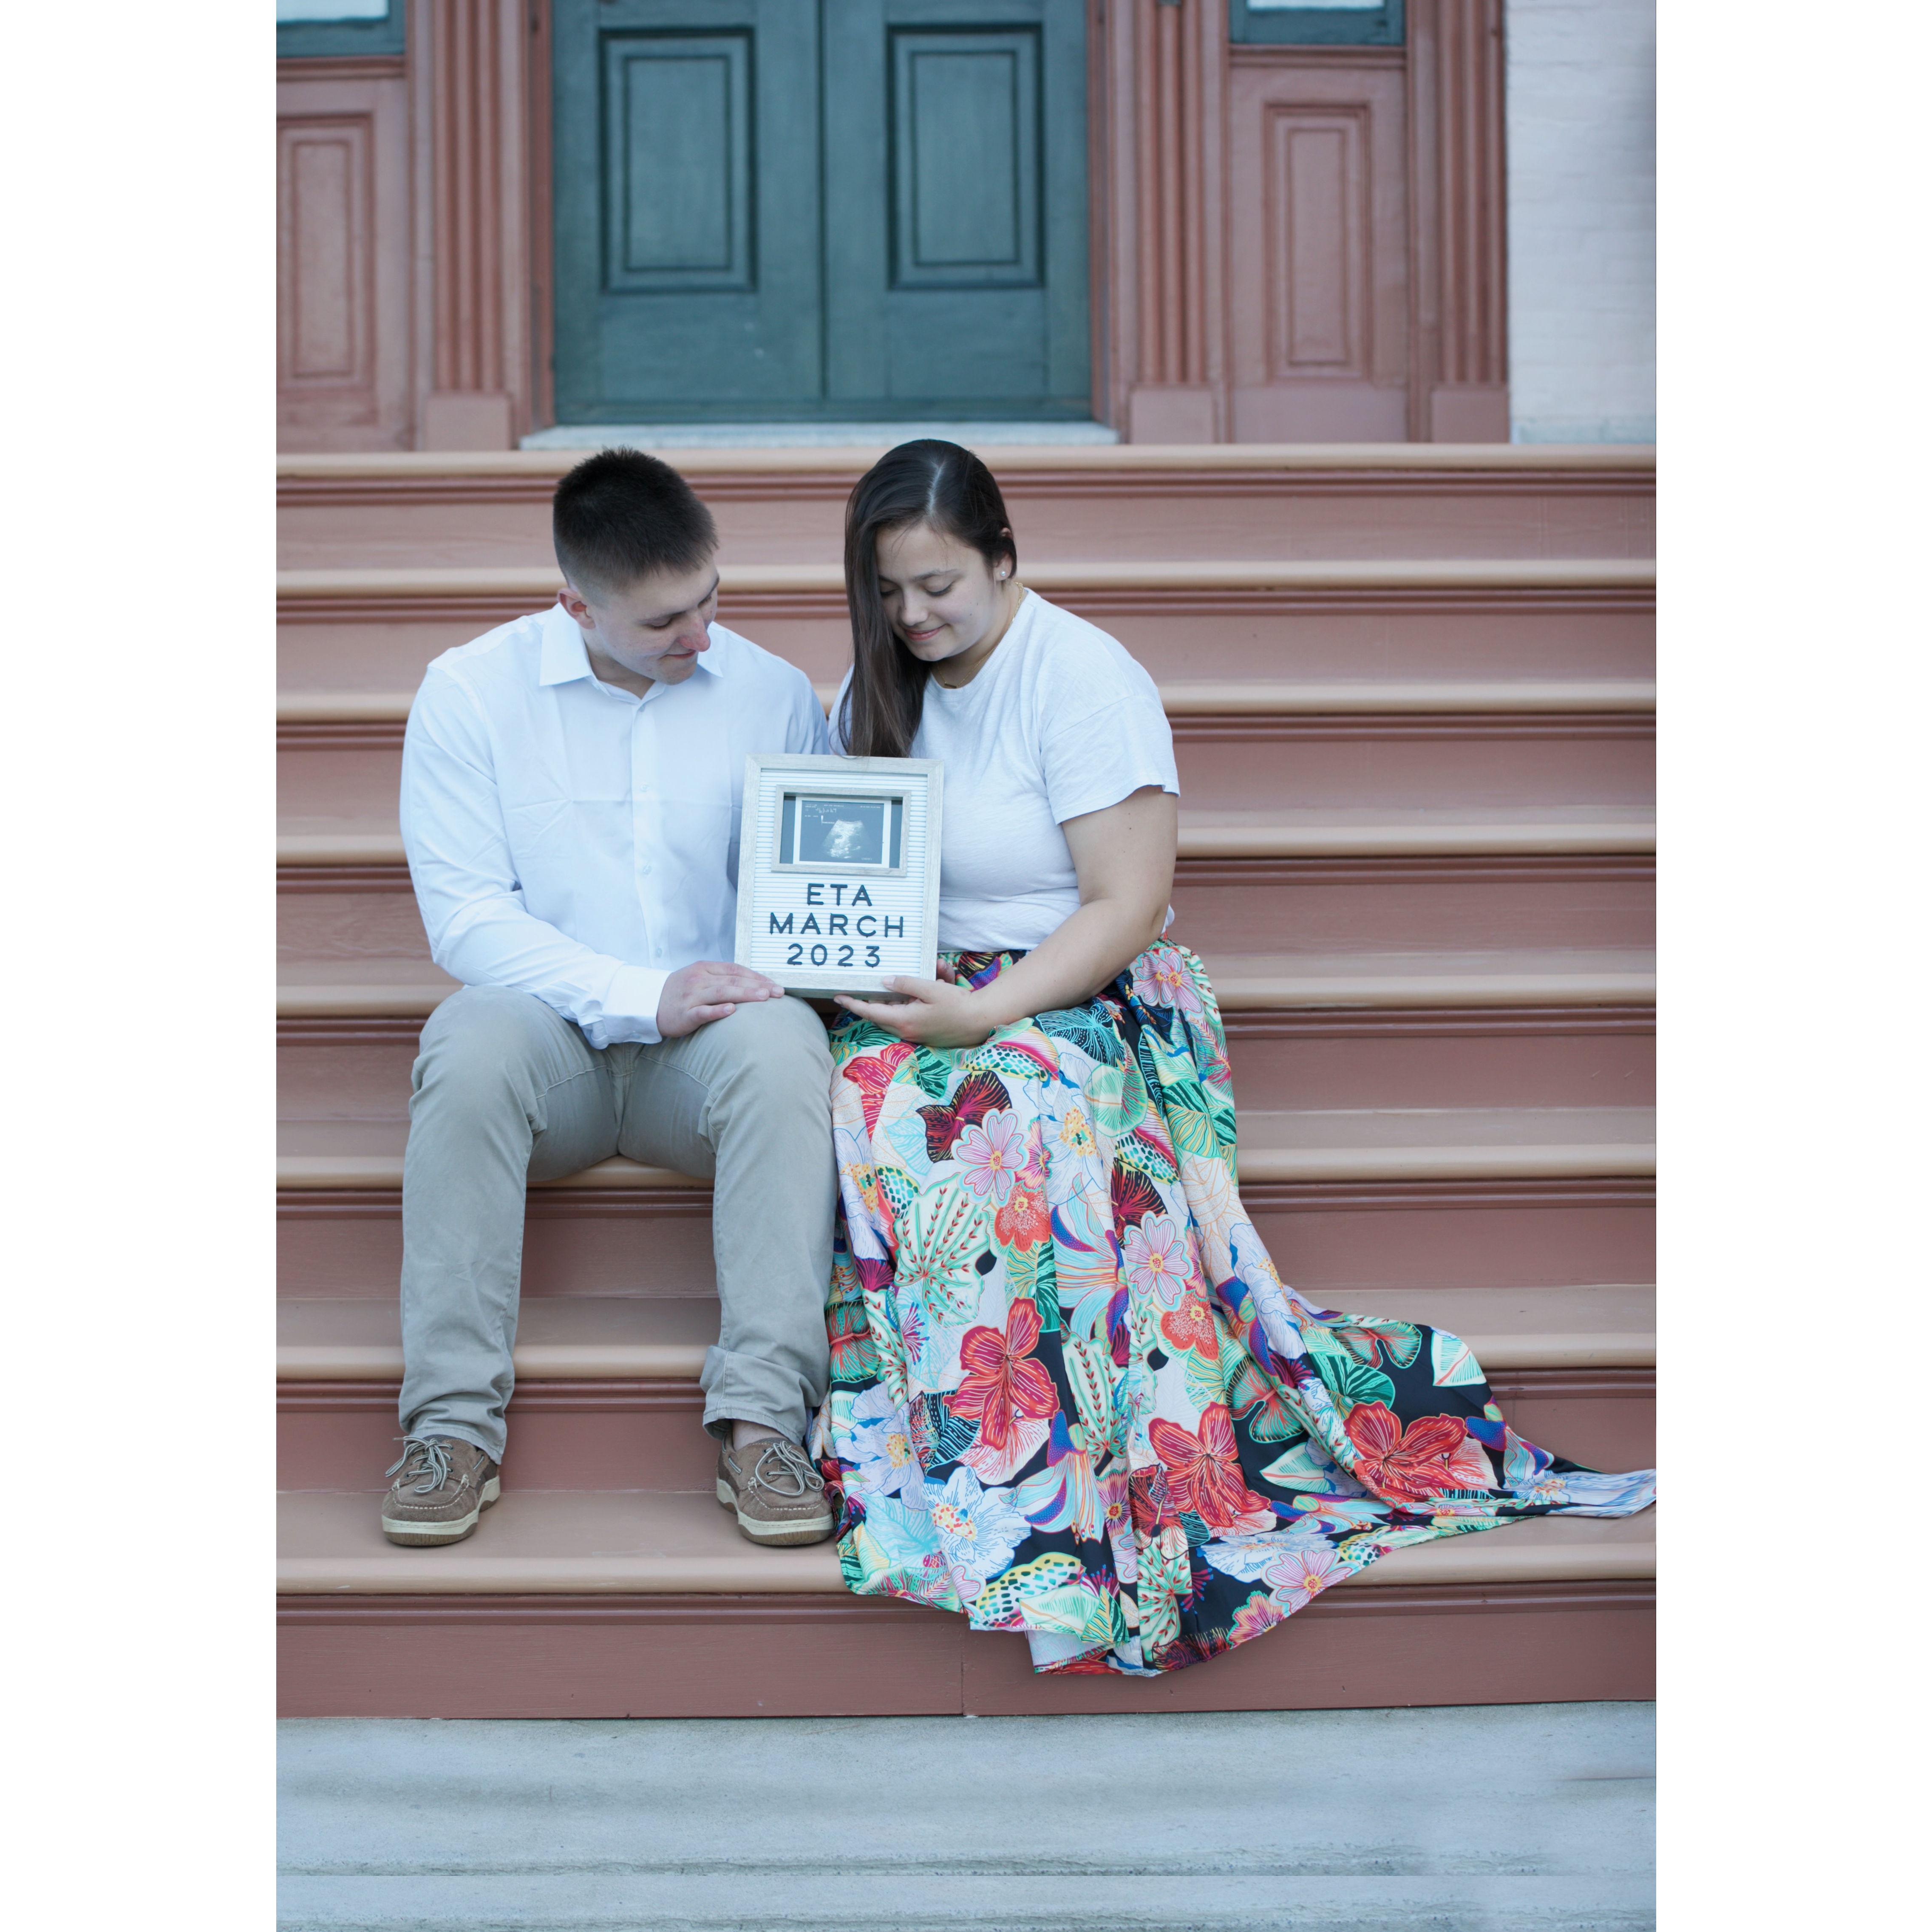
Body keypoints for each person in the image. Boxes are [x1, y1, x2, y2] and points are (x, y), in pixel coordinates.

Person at [809, 441, 1657, 1676]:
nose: (912, 616)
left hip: (1076, 990)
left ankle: (1048, 1493)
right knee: (854, 1095)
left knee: (995, 1115)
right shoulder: (875, 687)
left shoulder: (1084, 680)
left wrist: (983, 1016)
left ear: (1003, 557)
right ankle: (946, 1461)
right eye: (887, 592)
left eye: (937, 585)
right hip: (931, 989)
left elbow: (1125, 905)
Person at [385, 449, 839, 1550]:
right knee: (464, 1040)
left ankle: (765, 1425)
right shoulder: (470, 692)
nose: (700, 636)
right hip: (550, 1046)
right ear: (574, 606)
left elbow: (811, 893)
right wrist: (641, 993)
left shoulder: (774, 693)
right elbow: (466, 921)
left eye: (709, 601)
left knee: (789, 1046)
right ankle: (449, 1429)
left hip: (712, 1057)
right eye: (664, 622)